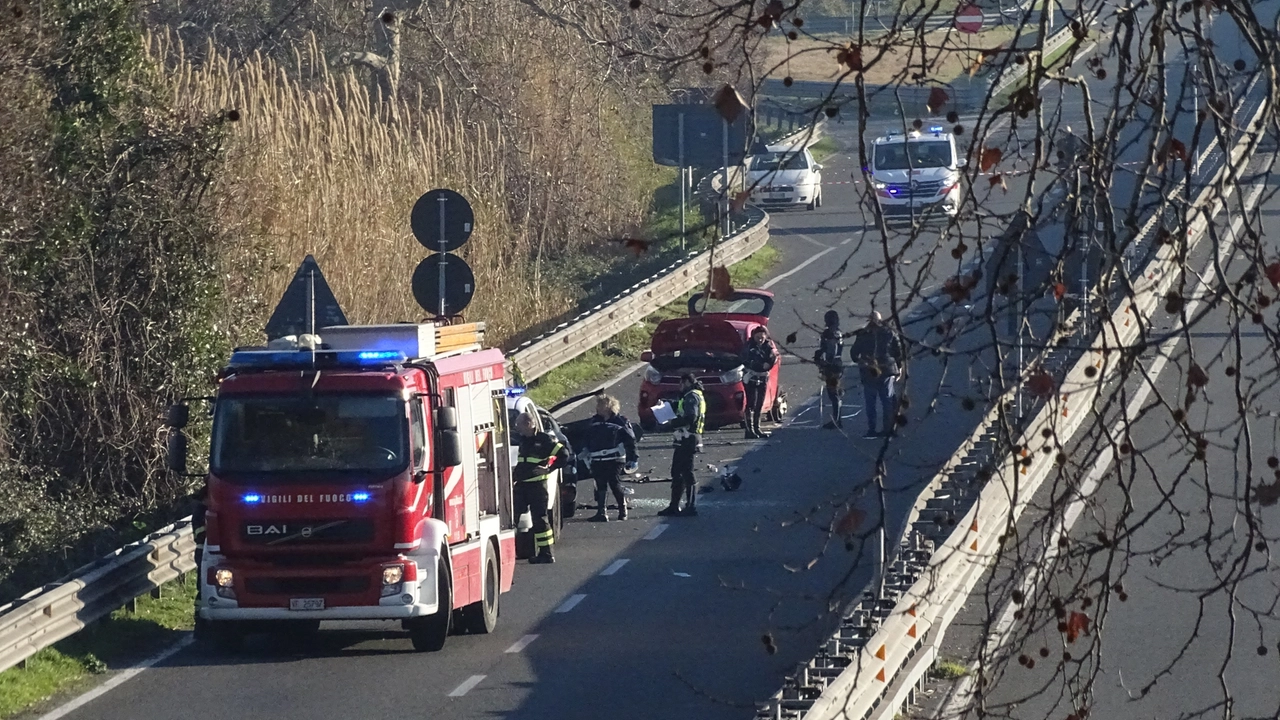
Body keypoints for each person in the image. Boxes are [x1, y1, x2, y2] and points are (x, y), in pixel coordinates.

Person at [512, 411, 570, 564]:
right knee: (513, 518)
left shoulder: (545, 440)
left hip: (537, 486)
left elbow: (564, 454)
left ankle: (546, 553)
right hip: (522, 485)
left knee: (539, 519)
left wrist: (549, 469)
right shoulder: (523, 440)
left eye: (518, 424)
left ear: (529, 424)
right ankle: (515, 551)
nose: (516, 428)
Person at [848, 311, 906, 439]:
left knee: (871, 402)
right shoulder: (889, 332)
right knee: (888, 401)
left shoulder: (863, 334)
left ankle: (871, 430)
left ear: (869, 320)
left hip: (869, 372)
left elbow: (853, 354)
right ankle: (889, 429)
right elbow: (898, 351)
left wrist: (862, 362)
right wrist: (899, 367)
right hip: (887, 370)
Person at [584, 395, 639, 522]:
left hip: (615, 459)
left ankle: (622, 509)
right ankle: (601, 512)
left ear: (608, 407)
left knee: (615, 483)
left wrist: (634, 458)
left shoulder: (621, 421)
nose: (597, 407)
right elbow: (586, 438)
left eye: (600, 404)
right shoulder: (593, 422)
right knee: (600, 484)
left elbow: (630, 440)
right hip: (597, 459)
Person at [659, 373, 705, 518]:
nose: (680, 387)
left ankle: (691, 506)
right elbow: (681, 407)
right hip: (685, 438)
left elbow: (690, 417)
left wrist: (672, 423)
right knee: (677, 471)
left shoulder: (691, 397)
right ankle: (674, 506)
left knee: (687, 472)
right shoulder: (692, 396)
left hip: (688, 438)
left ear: (686, 382)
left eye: (681, 384)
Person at [740, 326, 779, 439]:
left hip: (762, 378)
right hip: (751, 378)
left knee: (759, 404)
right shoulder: (748, 346)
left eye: (762, 337)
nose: (760, 339)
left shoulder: (768, 346)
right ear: (753, 336)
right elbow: (745, 359)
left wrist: (768, 364)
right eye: (758, 337)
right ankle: (749, 430)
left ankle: (757, 428)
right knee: (751, 403)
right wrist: (760, 365)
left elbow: (772, 358)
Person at [812, 310, 845, 430]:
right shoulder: (838, 332)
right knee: (835, 392)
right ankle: (837, 419)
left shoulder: (829, 333)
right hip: (838, 363)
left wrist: (823, 361)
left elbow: (831, 348)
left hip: (832, 365)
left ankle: (836, 420)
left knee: (833, 393)